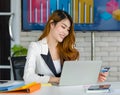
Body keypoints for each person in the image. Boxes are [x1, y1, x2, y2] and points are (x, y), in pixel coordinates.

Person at [23, 10, 108, 84]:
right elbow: (28, 77)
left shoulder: (68, 48)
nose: (65, 32)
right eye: (63, 27)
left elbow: (74, 76)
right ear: (52, 24)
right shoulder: (35, 47)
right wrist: (56, 80)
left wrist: (94, 77)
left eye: (68, 29)